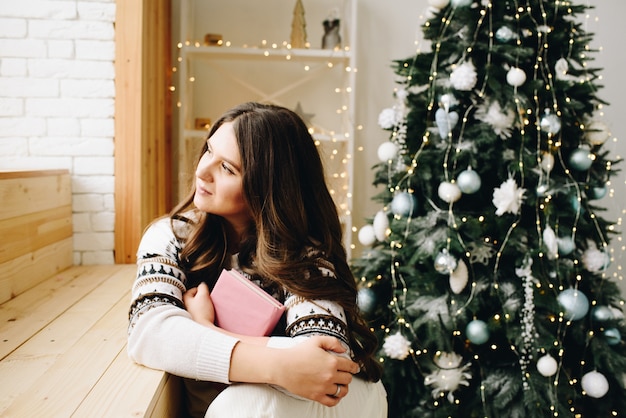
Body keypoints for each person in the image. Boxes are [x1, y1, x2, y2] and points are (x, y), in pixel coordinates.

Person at [127, 102, 387, 417]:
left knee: (248, 404)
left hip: (309, 410)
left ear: (268, 187)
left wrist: (203, 327)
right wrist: (279, 365)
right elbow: (148, 334)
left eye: (227, 168)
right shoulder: (171, 236)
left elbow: (322, 363)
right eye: (209, 151)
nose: (202, 171)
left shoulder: (305, 255)